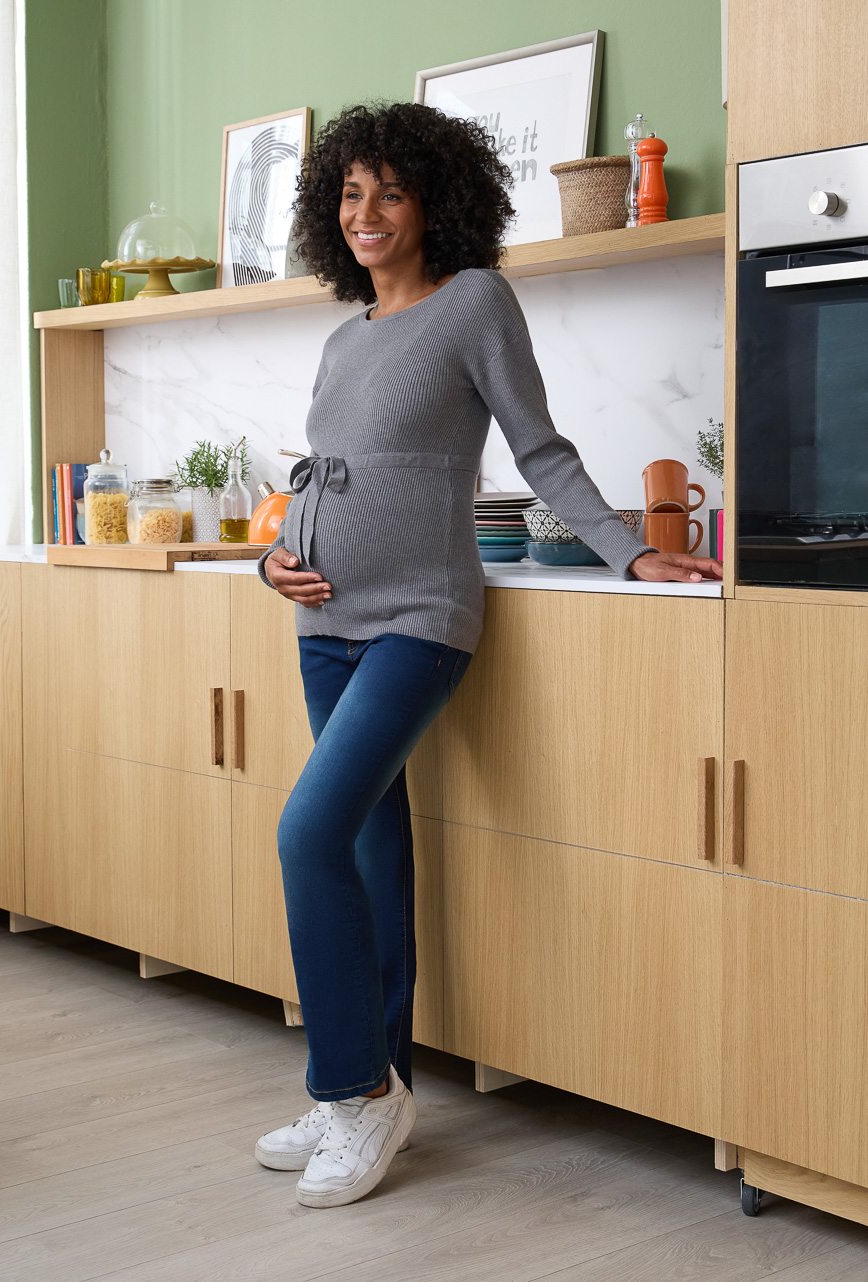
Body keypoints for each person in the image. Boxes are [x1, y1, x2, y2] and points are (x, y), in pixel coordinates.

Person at [253, 101, 724, 1210]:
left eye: (390, 192)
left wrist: (628, 552)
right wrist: (276, 560)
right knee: (369, 851)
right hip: (321, 620)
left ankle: (353, 1085)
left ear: (434, 203)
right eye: (350, 194)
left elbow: (540, 446)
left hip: (421, 618)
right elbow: (321, 477)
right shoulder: (341, 336)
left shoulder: (473, 303)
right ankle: (373, 1091)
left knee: (306, 830)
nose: (365, 213)